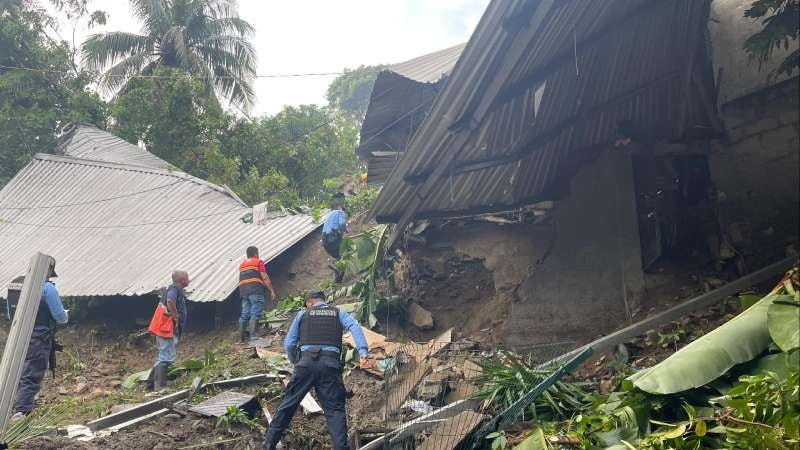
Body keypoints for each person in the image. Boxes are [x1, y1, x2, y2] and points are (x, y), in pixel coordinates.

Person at [263, 291, 372, 450]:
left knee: (288, 404)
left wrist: (296, 361)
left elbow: (289, 344)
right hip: (330, 365)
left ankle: (269, 443)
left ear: (309, 302)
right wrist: (363, 352)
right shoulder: (338, 313)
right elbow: (355, 327)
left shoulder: (302, 315)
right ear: (323, 301)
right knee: (334, 410)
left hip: (305, 364)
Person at [13, 260, 68, 417]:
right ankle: (22, 412)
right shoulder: (47, 288)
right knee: (32, 373)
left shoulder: (19, 285)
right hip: (39, 337)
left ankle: (12, 406)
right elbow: (60, 317)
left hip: (19, 335)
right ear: (49, 270)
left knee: (17, 372)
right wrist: (66, 315)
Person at [151, 270, 189, 391]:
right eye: (187, 278)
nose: (189, 280)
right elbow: (170, 301)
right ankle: (160, 386)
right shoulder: (175, 288)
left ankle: (151, 384)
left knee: (164, 355)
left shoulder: (174, 288)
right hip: (165, 328)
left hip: (164, 327)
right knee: (166, 357)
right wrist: (175, 315)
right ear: (182, 280)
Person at [239, 246, 277, 343]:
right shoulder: (258, 262)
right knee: (255, 312)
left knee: (245, 313)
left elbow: (249, 278)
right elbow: (264, 277)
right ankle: (253, 336)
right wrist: (271, 291)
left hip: (244, 291)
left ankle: (242, 337)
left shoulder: (242, 265)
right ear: (256, 253)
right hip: (255, 290)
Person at [322, 197, 347, 283]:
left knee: (337, 256)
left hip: (325, 241)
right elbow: (342, 223)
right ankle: (336, 267)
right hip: (333, 237)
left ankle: (337, 278)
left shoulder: (328, 216)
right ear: (339, 207)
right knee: (343, 255)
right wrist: (345, 230)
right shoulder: (339, 212)